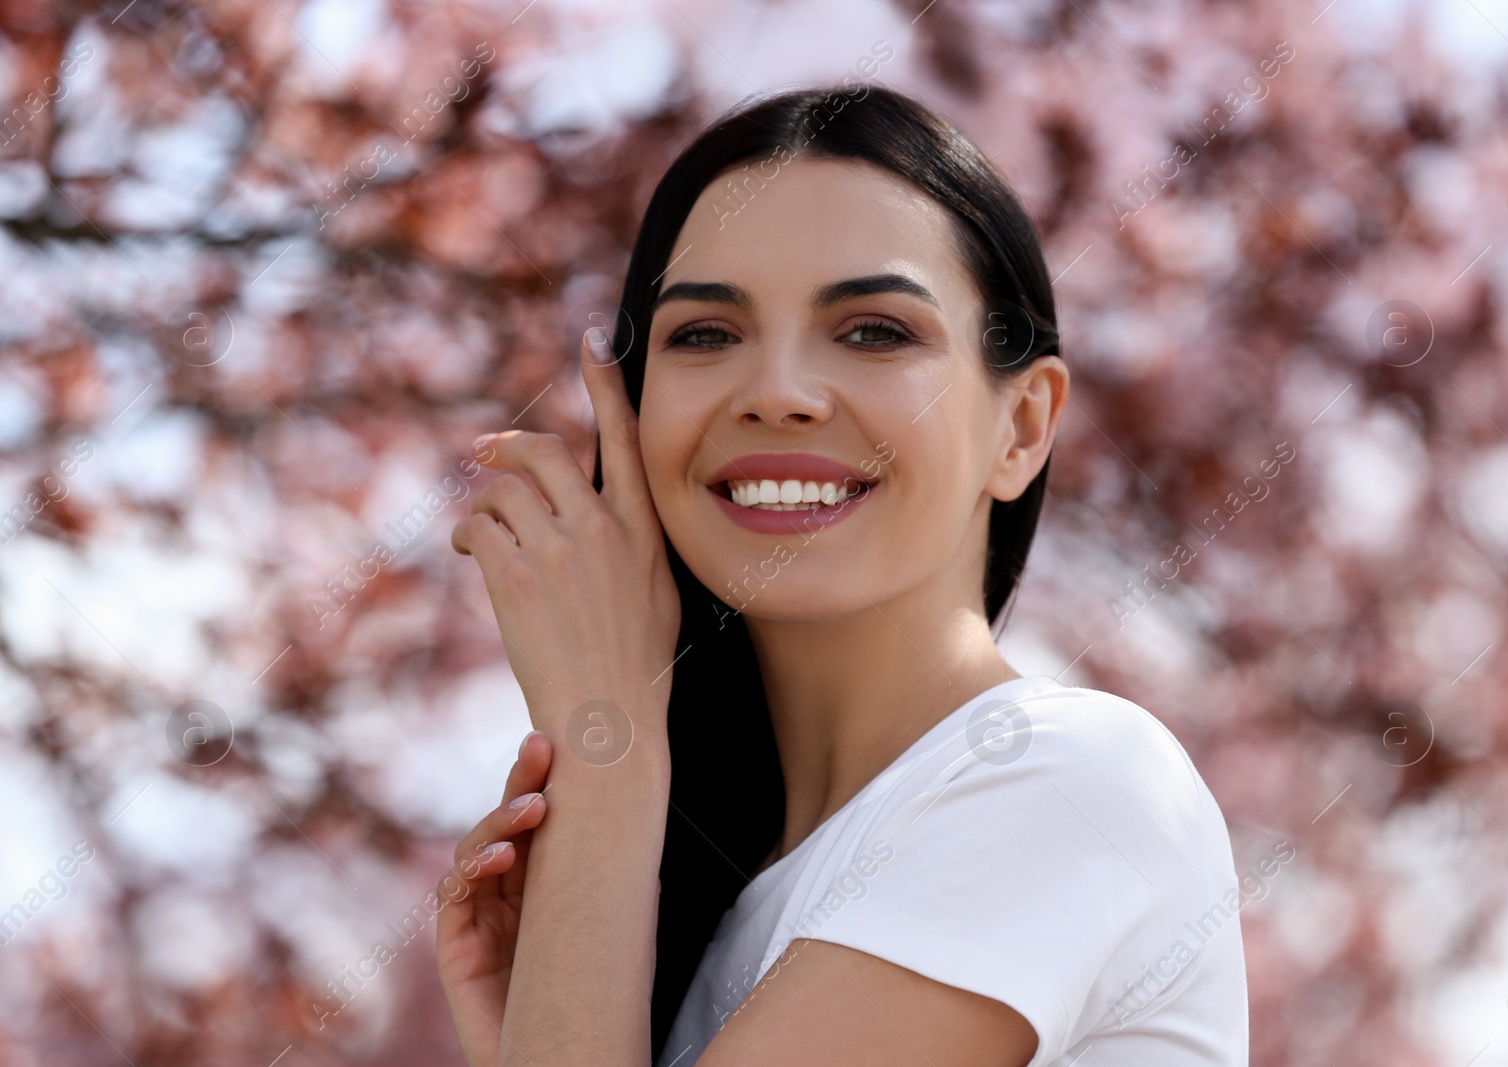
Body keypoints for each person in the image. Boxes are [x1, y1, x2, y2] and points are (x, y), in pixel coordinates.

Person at [433, 84, 1248, 1066]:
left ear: (1023, 424)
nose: (776, 392)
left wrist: (605, 758)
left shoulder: (1070, 779)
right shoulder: (712, 918)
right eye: (704, 334)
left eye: (873, 330)